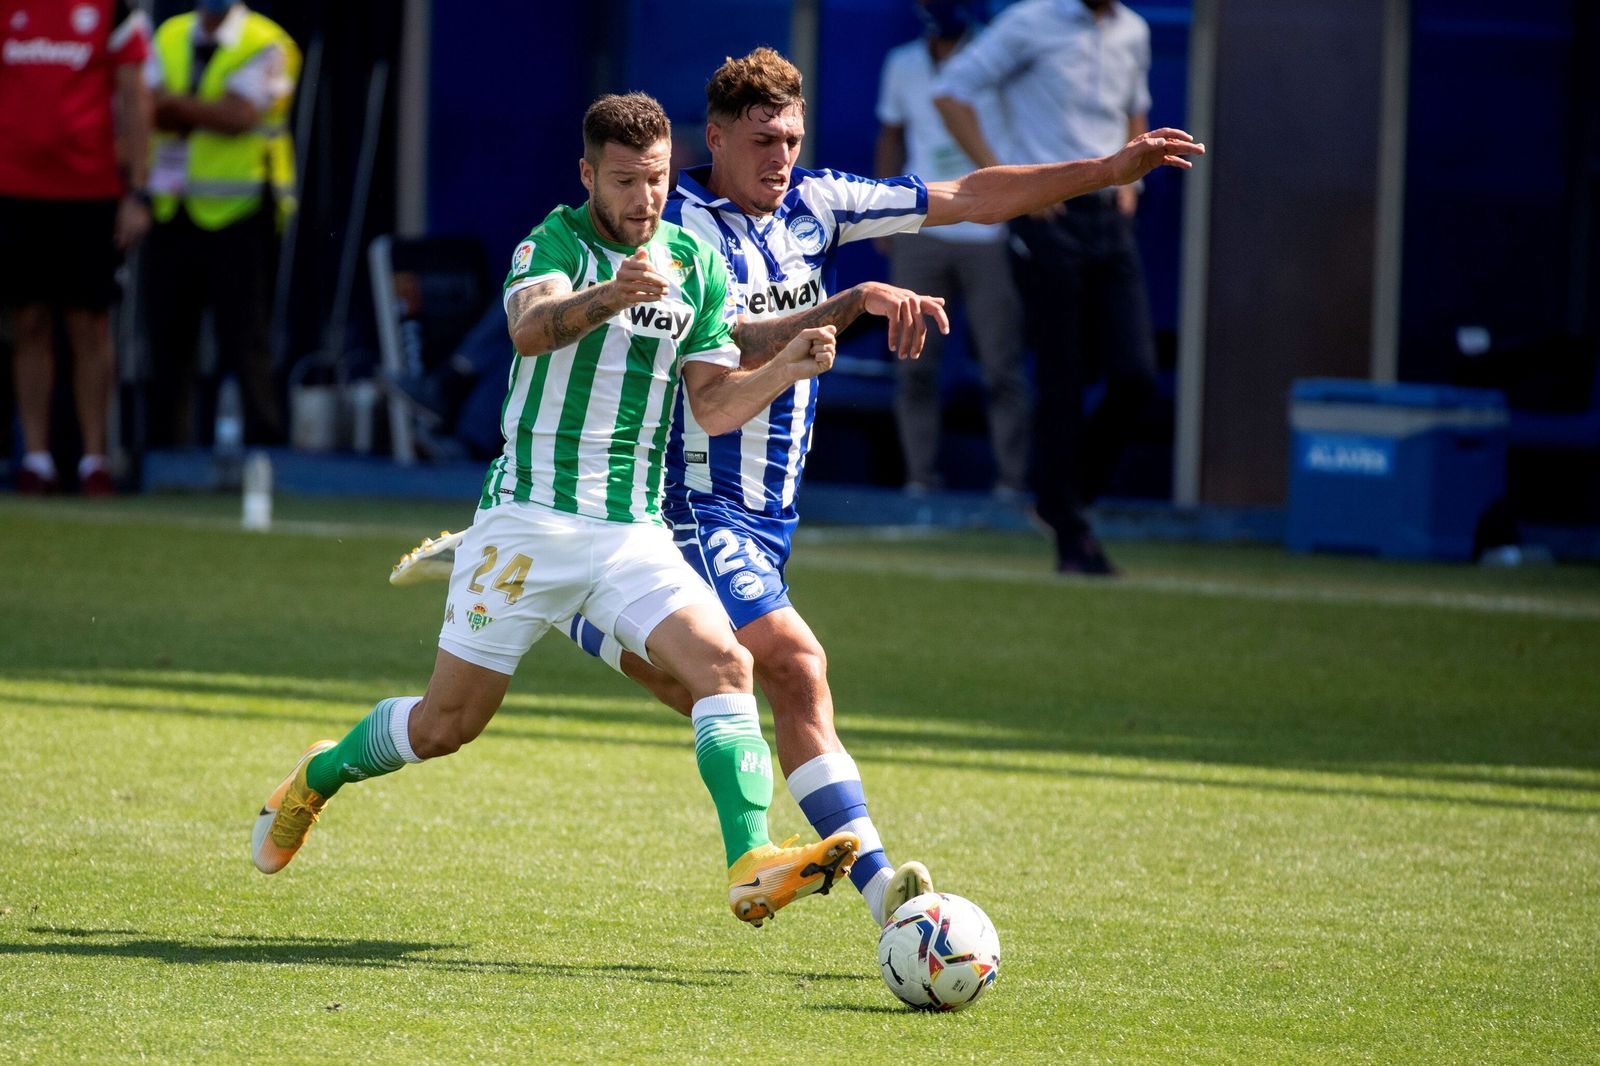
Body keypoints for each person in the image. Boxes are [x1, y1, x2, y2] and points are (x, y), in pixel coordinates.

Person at [546, 48, 1201, 926]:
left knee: (715, 689)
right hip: (694, 491)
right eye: (763, 141)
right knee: (797, 665)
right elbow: (733, 341)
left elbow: (970, 196)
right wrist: (849, 303)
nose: (781, 158)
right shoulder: (679, 224)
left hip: (772, 514)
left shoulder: (820, 201)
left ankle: (574, 602)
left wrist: (1105, 169)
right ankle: (884, 893)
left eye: (792, 139)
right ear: (716, 138)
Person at [254, 93, 867, 930]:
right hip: (528, 526)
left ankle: (750, 859)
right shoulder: (554, 242)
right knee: (445, 725)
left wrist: (788, 367)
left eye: (655, 180)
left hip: (631, 532)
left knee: (727, 668)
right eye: (624, 182)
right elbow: (531, 328)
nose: (645, 199)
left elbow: (716, 405)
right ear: (588, 175)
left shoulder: (694, 260)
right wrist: (612, 295)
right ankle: (317, 778)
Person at [934, 0, 1162, 575]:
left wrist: (1133, 177)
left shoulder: (1134, 30)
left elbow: (1136, 108)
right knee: (1063, 374)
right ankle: (1073, 539)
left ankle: (1061, 499)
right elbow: (952, 92)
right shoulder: (1029, 21)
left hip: (1111, 215)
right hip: (1047, 218)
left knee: (1135, 375)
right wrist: (1011, 184)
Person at [876, 0, 1029, 501]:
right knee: (914, 362)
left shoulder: (997, 58)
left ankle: (1012, 482)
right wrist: (880, 212)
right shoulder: (902, 63)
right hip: (922, 226)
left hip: (988, 231)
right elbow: (891, 137)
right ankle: (919, 477)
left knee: (1000, 363)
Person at [0, 0, 152, 495]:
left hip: (88, 190)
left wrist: (137, 190)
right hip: (16, 188)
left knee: (88, 322)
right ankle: (37, 457)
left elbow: (135, 97)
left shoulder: (111, 10)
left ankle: (94, 457)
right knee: (28, 319)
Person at [141, 0, 298, 448]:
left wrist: (174, 104)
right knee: (168, 338)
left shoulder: (267, 40)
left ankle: (263, 453)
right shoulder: (169, 33)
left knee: (246, 337)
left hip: (242, 211)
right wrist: (196, 108)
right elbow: (141, 103)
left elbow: (239, 116)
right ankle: (165, 451)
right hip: (174, 207)